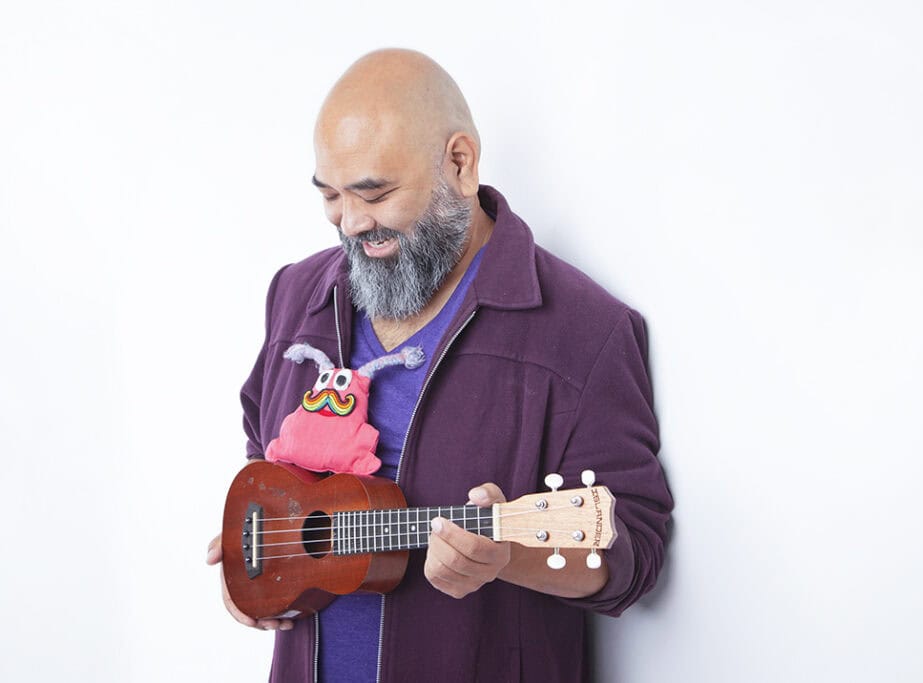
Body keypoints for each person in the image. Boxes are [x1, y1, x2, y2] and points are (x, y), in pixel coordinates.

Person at [207, 48, 673, 682]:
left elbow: (633, 550)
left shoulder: (584, 332)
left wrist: (508, 556)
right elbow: (261, 450)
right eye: (331, 197)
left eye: (375, 193)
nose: (350, 224)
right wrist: (258, 555)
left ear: (460, 163)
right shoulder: (298, 293)